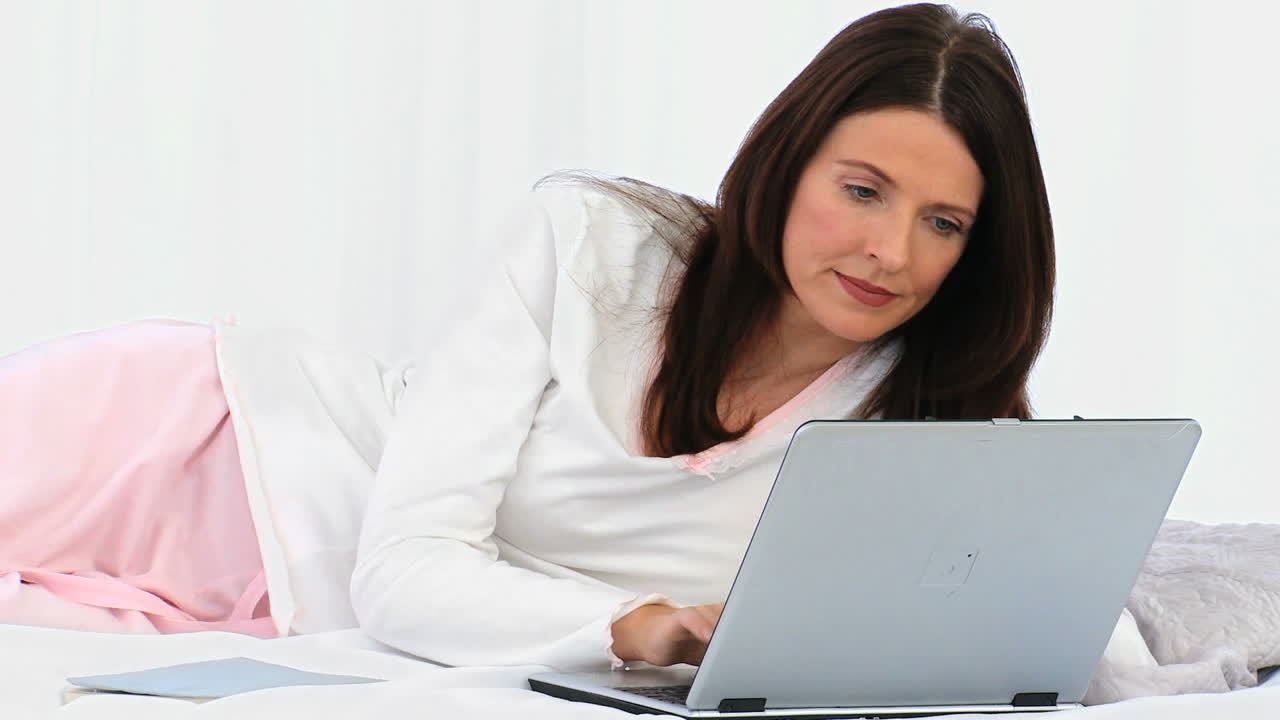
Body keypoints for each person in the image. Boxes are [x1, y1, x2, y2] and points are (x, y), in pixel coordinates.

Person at [350, 2, 1054, 672]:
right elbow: (403, 569)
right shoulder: (585, 248)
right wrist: (636, 627)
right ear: (787, 162)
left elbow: (1037, 629)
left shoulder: (937, 415)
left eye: (943, 223)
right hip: (283, 480)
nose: (892, 252)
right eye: (863, 192)